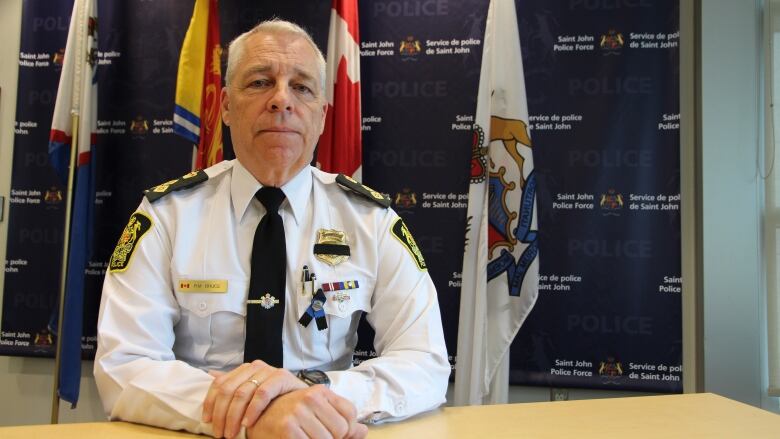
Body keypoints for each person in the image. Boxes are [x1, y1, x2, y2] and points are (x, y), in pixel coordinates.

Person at [93, 19, 450, 439]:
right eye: (260, 82)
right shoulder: (166, 218)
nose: (281, 99)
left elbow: (425, 361)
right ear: (225, 105)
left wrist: (313, 395)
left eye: (301, 88)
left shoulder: (370, 221)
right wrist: (254, 414)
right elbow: (124, 366)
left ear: (321, 114)